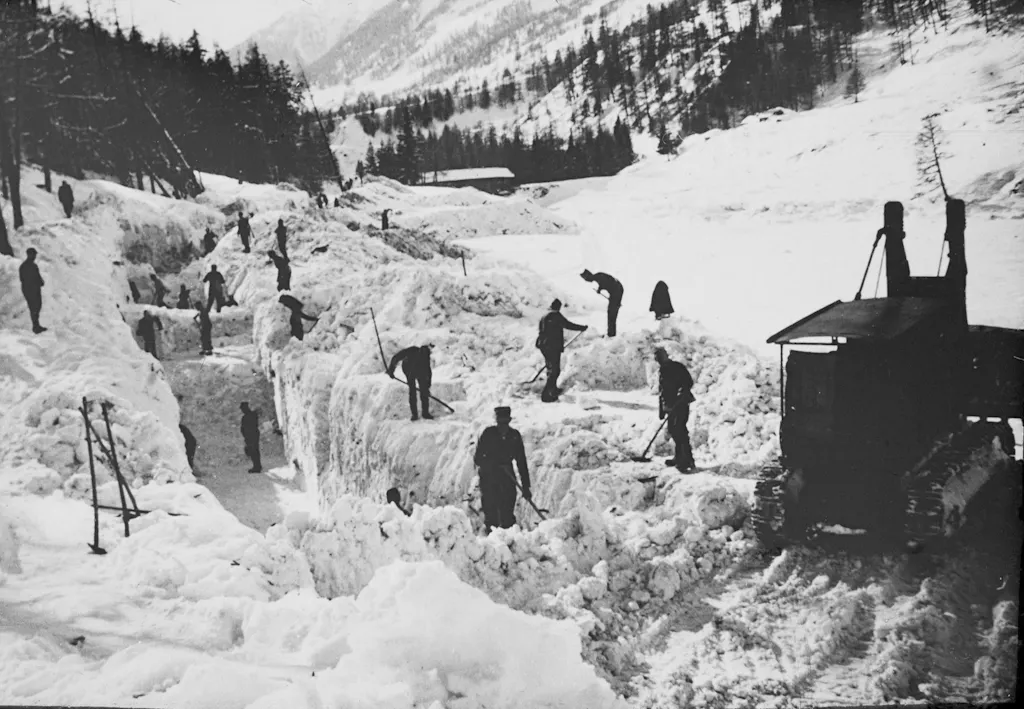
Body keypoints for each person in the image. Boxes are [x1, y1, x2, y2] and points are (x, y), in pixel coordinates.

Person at [473, 406, 531, 533]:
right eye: (500, 423)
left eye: (505, 423)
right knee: (491, 514)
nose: (503, 426)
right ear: (496, 421)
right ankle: (490, 540)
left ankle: (509, 541)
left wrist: (526, 487)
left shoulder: (514, 436)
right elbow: (478, 459)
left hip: (507, 478)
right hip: (489, 477)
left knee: (507, 514)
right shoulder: (488, 434)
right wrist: (494, 464)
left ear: (509, 421)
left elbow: (521, 462)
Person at [536, 299, 587, 403]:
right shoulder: (555, 315)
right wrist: (582, 327)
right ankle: (546, 395)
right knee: (554, 371)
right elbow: (568, 325)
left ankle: (553, 390)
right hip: (552, 346)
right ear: (558, 307)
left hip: (543, 345)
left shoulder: (544, 316)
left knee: (551, 369)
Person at [654, 347, 696, 472]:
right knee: (674, 430)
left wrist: (681, 392)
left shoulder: (677, 367)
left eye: (660, 356)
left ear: (665, 356)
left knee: (680, 430)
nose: (659, 359)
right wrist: (661, 410)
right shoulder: (662, 370)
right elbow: (662, 392)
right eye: (657, 357)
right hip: (671, 406)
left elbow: (688, 382)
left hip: (681, 403)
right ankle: (679, 457)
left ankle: (687, 460)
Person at [387, 344, 435, 421]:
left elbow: (428, 373)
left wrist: (427, 387)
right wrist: (391, 371)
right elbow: (396, 358)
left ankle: (425, 413)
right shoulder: (411, 351)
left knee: (424, 391)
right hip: (408, 369)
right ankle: (414, 414)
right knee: (412, 391)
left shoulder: (425, 358)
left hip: (420, 372)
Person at [581, 269, 624, 337]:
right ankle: (611, 332)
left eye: (586, 279)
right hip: (615, 292)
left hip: (617, 290)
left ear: (589, 276)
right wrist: (600, 289)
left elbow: (604, 283)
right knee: (611, 312)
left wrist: (599, 289)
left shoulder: (599, 276)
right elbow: (605, 283)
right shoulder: (598, 277)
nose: (587, 281)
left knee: (611, 312)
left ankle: (611, 334)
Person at [19, 248, 47, 334]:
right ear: (29, 254)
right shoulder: (24, 266)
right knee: (34, 308)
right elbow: (23, 279)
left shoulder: (33, 265)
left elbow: (38, 277)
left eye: (35, 254)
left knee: (37, 307)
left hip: (35, 289)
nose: (34, 256)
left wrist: (41, 282)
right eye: (33, 254)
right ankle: (36, 326)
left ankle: (36, 325)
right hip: (30, 290)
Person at [239, 402, 261, 473]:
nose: (242, 410)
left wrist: (246, 435)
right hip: (253, 435)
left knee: (253, 451)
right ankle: (257, 466)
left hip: (251, 436)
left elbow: (243, 428)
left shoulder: (246, 417)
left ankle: (256, 467)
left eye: (242, 409)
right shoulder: (253, 415)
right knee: (255, 450)